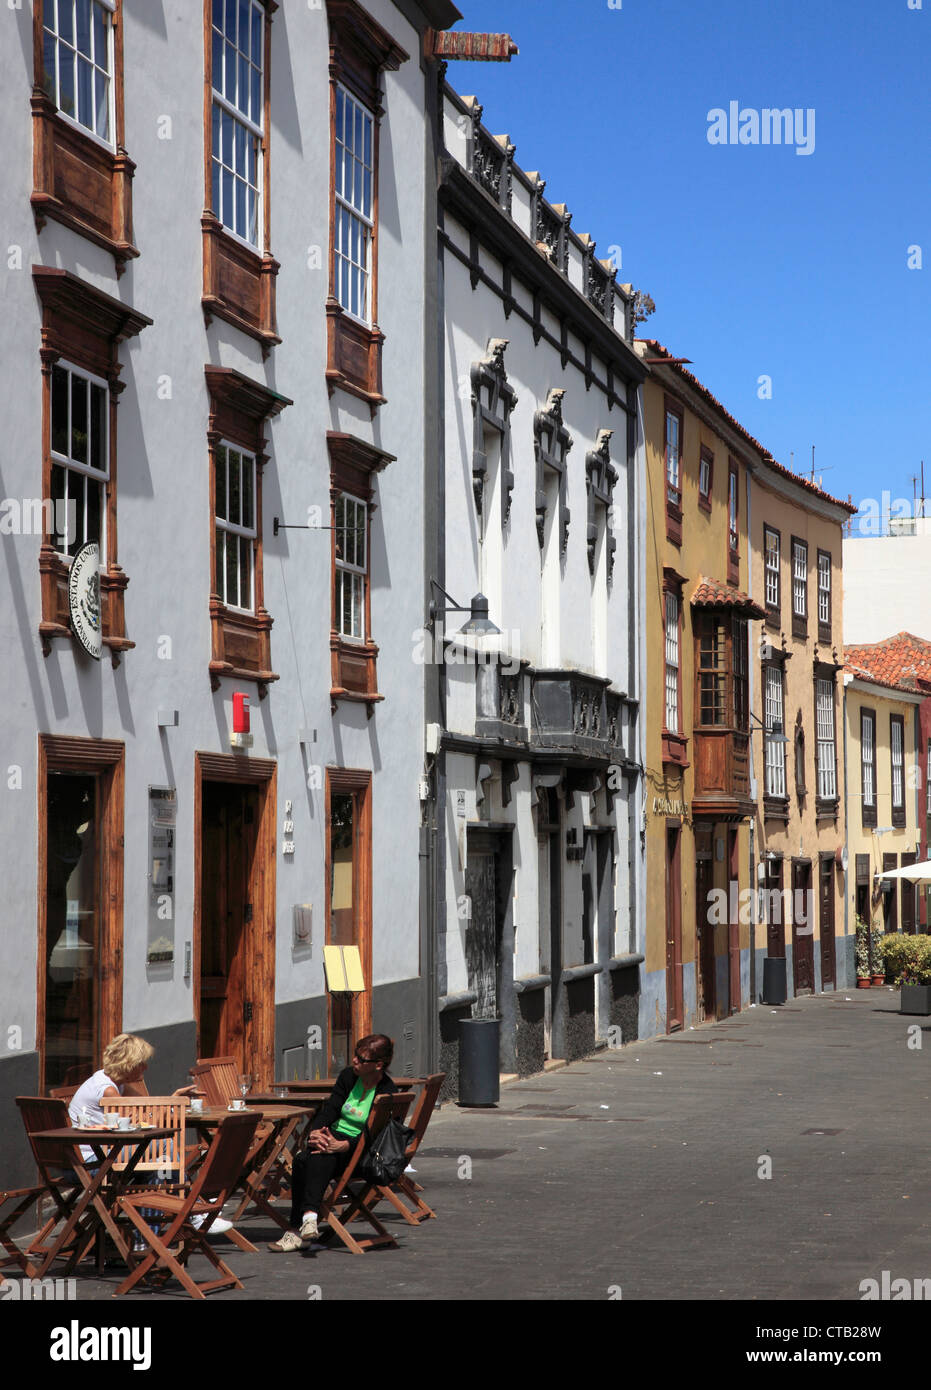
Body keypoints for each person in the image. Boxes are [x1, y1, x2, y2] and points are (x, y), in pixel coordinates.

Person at [68, 1032, 233, 1235]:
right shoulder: (107, 1091)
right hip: (91, 1163)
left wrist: (172, 1101)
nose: (146, 1067)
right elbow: (138, 1123)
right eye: (142, 1063)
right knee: (166, 1146)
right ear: (129, 1064)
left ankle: (143, 1241)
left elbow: (146, 1112)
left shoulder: (115, 1083)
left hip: (104, 1155)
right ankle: (192, 1210)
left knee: (157, 1167)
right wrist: (172, 1103)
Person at [268, 1033, 397, 1252]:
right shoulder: (348, 1077)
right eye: (355, 1056)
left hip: (361, 1151)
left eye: (361, 1059)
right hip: (335, 1137)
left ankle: (299, 1227)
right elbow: (331, 1109)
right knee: (302, 1160)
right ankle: (305, 1222)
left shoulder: (386, 1091)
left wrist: (347, 1145)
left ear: (378, 1065)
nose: (354, 1061)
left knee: (317, 1159)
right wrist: (316, 1132)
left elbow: (378, 1135)